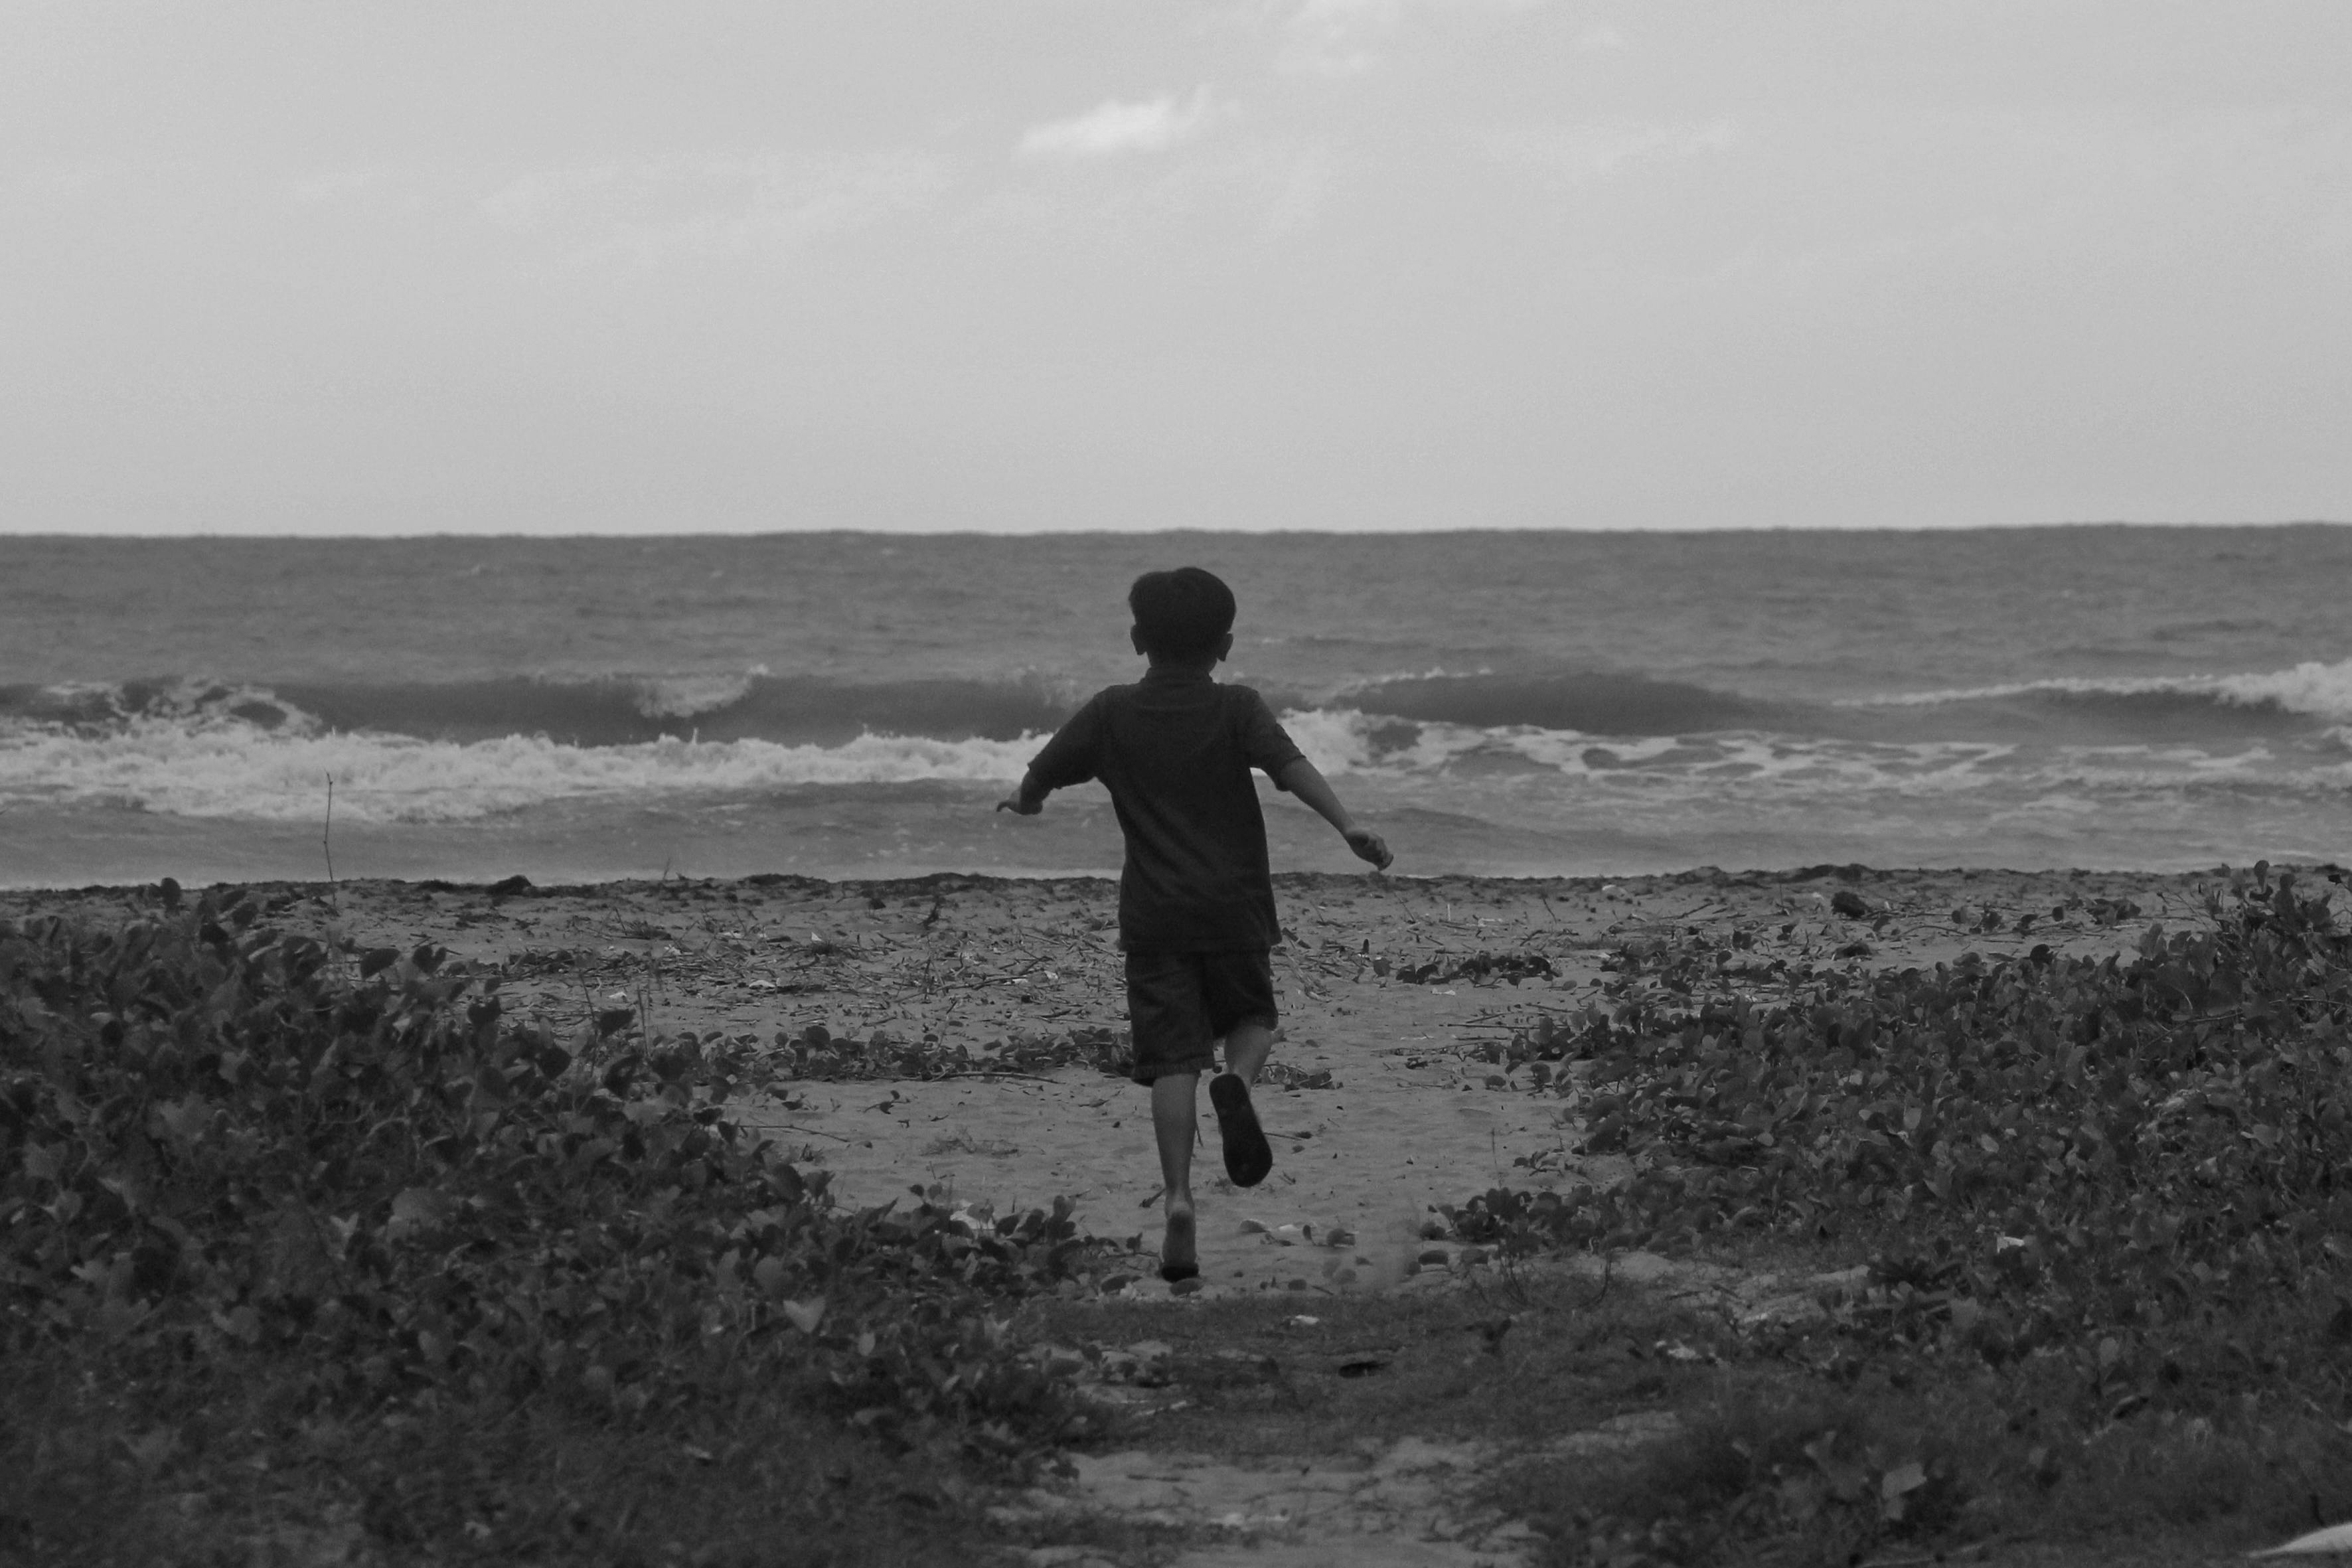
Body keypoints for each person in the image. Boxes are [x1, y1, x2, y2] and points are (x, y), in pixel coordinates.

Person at [996, 566, 1393, 1284]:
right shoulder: (1238, 707)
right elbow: (1290, 767)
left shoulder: (1111, 711)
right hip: (1235, 907)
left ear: (1137, 639)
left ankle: (1179, 1200)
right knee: (1254, 1015)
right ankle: (1238, 1078)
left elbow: (1044, 772)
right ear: (1227, 645)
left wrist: (1025, 802)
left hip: (1155, 919)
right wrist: (1348, 825)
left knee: (1172, 1059)